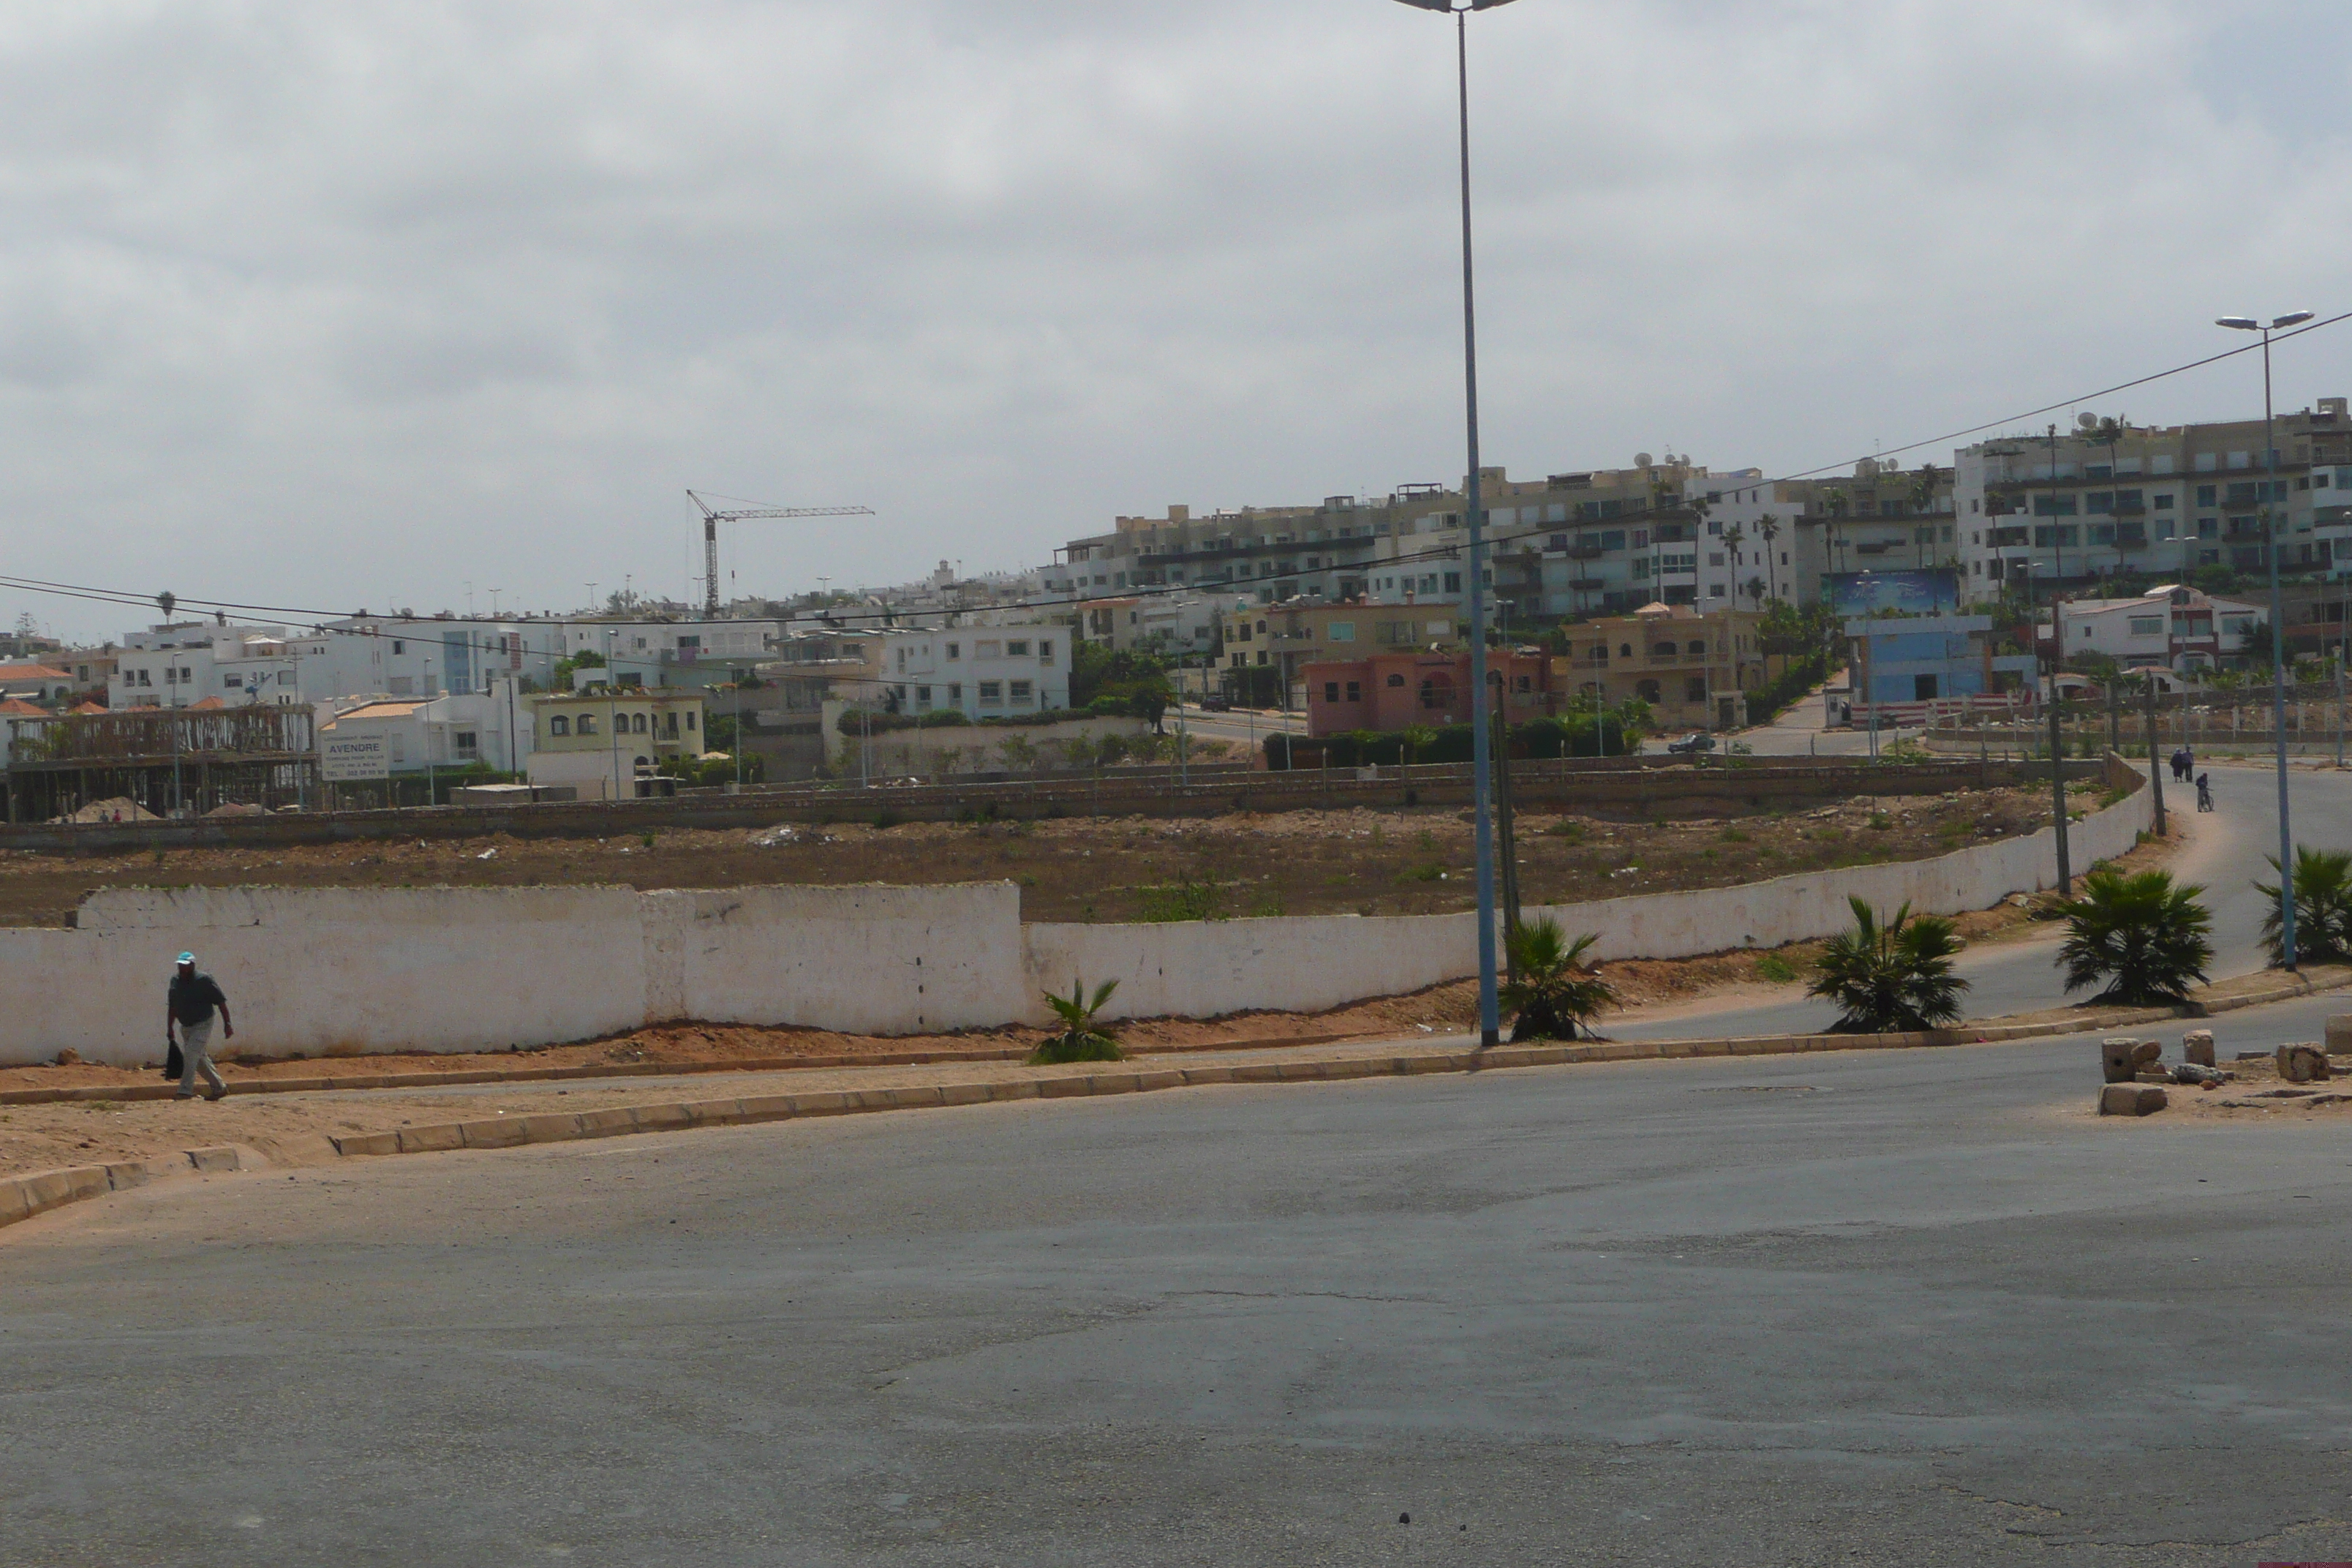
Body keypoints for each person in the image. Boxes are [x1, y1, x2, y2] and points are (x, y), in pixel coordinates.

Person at [166, 951, 233, 1101]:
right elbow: (173, 1006)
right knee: (200, 1060)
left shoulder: (204, 980)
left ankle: (185, 1091)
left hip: (203, 1023)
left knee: (190, 1054)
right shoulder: (175, 981)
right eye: (180, 965)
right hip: (186, 1026)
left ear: (192, 966)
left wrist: (227, 1024)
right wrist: (170, 1027)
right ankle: (219, 1088)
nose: (182, 969)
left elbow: (221, 1002)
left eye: (185, 966)